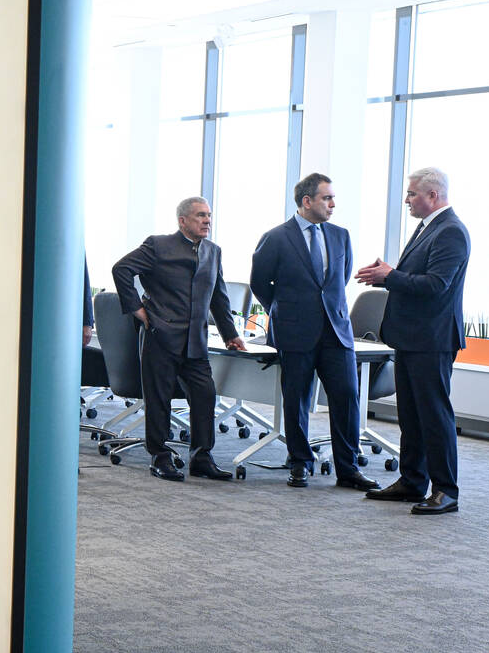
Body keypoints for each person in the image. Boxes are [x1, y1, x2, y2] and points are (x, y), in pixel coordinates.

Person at [249, 173, 381, 492]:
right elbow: (259, 283)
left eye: (333, 198)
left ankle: (348, 469)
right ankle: (299, 462)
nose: (333, 204)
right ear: (307, 201)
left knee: (346, 396)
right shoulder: (276, 237)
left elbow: (338, 280)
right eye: (327, 198)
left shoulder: (340, 235)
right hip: (295, 331)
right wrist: (284, 310)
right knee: (297, 399)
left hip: (336, 330)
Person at [354, 167, 469, 515]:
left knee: (434, 415)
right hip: (411, 338)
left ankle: (445, 490)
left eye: (412, 194)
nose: (406, 200)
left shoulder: (451, 231)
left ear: (432, 195)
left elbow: (436, 285)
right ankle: (412, 482)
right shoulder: (428, 228)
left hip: (432, 339)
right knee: (411, 415)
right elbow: (418, 277)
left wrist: (391, 276)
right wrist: (389, 275)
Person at [112, 196, 245, 481]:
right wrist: (137, 310)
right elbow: (121, 269)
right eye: (200, 215)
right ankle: (160, 457)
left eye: (209, 215)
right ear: (182, 220)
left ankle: (201, 458)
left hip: (196, 340)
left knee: (205, 395)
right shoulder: (158, 245)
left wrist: (231, 334)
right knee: (159, 399)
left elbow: (218, 297)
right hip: (161, 335)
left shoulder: (213, 251)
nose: (207, 221)